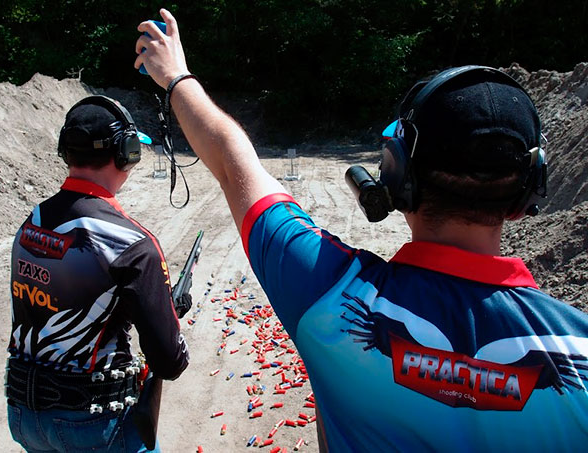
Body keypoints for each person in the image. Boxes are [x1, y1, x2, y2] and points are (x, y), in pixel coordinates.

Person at [135, 9, 588, 452]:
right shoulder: (580, 352)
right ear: (528, 195)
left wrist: (176, 77)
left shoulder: (328, 294)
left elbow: (235, 164)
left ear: (398, 176)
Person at [5, 94, 189, 452]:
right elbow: (170, 361)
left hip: (25, 418)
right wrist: (170, 313)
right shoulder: (131, 243)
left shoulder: (32, 222)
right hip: (92, 424)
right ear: (126, 152)